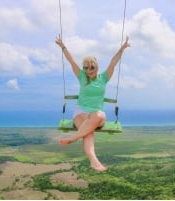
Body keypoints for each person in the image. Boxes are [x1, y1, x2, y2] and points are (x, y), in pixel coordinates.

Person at [55, 35, 130, 172]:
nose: (88, 70)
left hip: (96, 114)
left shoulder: (104, 78)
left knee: (99, 115)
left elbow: (113, 63)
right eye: (86, 68)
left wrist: (123, 48)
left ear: (96, 66)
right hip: (81, 112)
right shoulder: (82, 77)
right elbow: (71, 61)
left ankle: (73, 139)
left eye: (91, 67)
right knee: (88, 133)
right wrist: (63, 46)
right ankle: (94, 161)